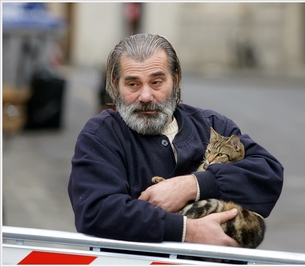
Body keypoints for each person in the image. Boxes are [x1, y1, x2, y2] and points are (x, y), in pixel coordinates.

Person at [68, 33, 283, 247]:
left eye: (156, 82)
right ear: (116, 85)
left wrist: (193, 185)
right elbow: (97, 211)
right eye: (133, 84)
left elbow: (267, 175)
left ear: (176, 80)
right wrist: (187, 231)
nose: (145, 96)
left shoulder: (212, 125)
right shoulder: (101, 136)